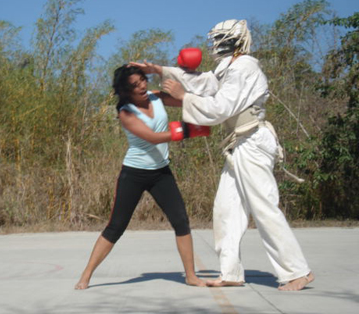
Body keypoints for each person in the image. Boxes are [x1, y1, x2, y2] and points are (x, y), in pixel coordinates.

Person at [130, 19, 314, 291]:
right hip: (238, 143)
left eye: (219, 38)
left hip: (252, 141)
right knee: (226, 210)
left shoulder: (244, 68)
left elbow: (219, 108)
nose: (214, 44)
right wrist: (160, 70)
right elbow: (205, 83)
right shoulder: (228, 67)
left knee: (263, 206)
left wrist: (184, 96)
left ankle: (297, 271)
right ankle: (231, 273)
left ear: (231, 40)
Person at [74, 65, 208, 290]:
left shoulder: (156, 98)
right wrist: (188, 131)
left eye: (143, 80)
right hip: (134, 174)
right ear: (126, 90)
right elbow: (153, 138)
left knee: (181, 220)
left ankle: (191, 276)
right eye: (135, 85)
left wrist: (173, 76)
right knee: (116, 226)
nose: (143, 86)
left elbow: (189, 100)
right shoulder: (126, 112)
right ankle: (86, 275)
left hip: (161, 172)